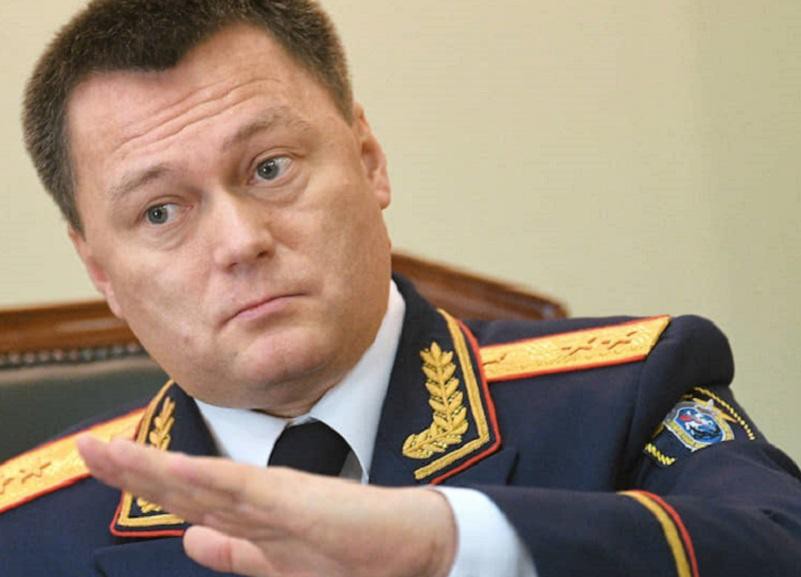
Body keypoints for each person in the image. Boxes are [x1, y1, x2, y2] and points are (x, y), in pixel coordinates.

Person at [2, 1, 800, 576]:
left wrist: (449, 544)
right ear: (99, 270)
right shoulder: (24, 533)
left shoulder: (624, 393)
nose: (241, 242)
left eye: (270, 167)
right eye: (160, 211)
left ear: (369, 160)